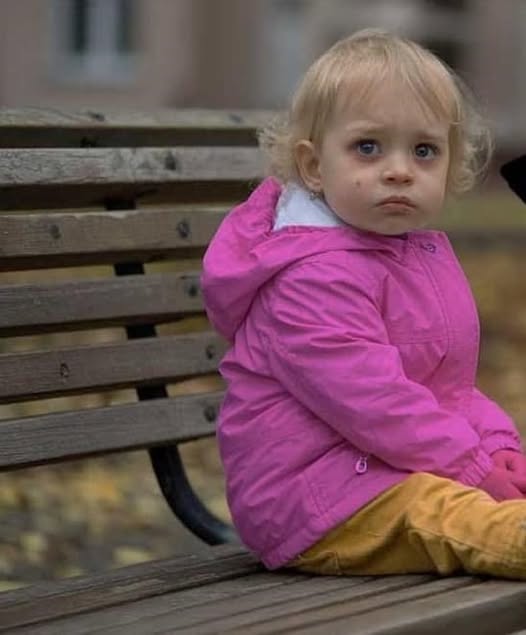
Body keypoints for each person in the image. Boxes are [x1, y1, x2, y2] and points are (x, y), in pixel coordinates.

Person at [201, 28, 526, 579]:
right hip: (313, 501)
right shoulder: (309, 279)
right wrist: (474, 467)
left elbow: (449, 390)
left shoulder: (415, 255)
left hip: (385, 469)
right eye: (368, 147)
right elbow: (378, 404)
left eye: (424, 151)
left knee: (483, 488)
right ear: (313, 166)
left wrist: (500, 451)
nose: (399, 169)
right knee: (446, 517)